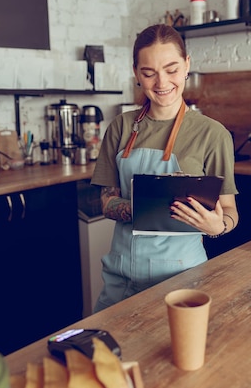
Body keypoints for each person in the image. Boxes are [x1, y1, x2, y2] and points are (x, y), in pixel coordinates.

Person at [91, 24, 239, 312]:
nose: (161, 82)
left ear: (187, 65)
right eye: (149, 73)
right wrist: (147, 207)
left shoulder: (212, 134)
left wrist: (217, 227)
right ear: (136, 73)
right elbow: (106, 202)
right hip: (120, 275)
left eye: (171, 70)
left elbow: (230, 211)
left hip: (182, 277)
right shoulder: (120, 127)